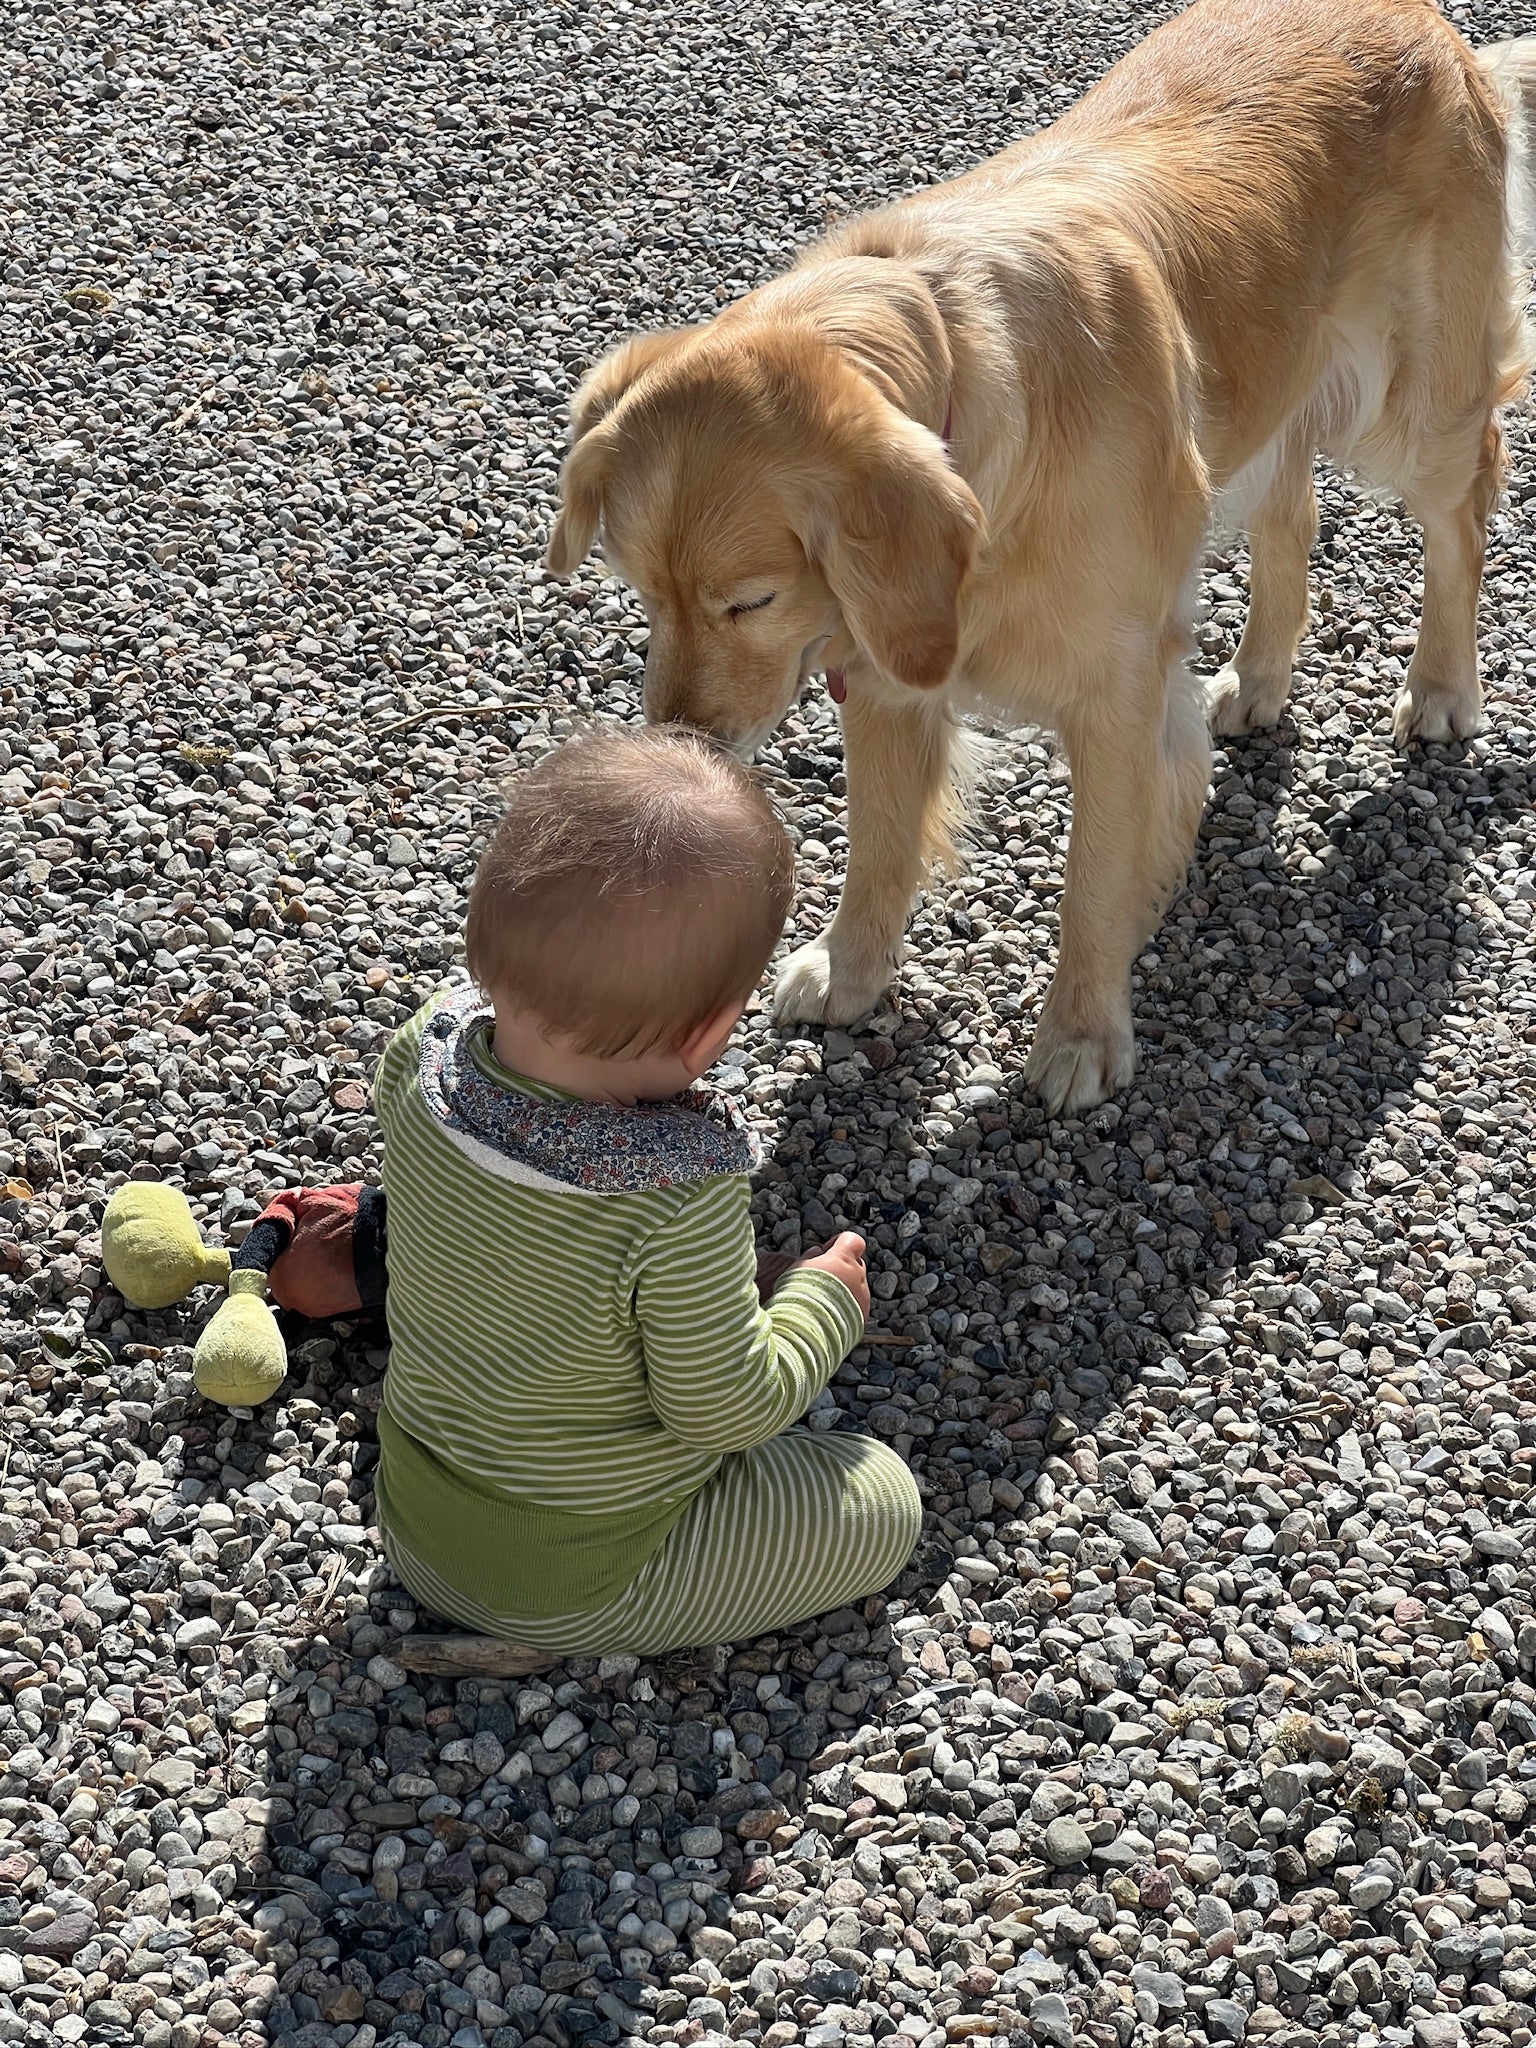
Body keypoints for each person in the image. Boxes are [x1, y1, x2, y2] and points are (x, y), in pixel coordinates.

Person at [369, 724, 921, 1655]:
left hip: (417, 1523)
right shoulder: (671, 1195)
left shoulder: (420, 1061)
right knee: (882, 1498)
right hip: (586, 1577)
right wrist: (823, 1307)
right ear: (708, 1032)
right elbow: (727, 1408)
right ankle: (553, 1636)